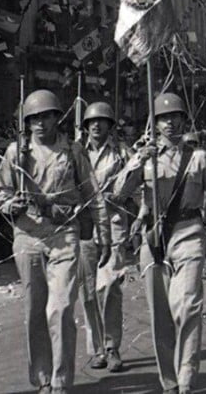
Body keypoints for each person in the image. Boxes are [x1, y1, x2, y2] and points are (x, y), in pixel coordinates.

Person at [110, 93, 206, 394]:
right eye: (164, 118)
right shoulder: (145, 158)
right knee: (160, 316)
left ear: (183, 120)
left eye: (175, 116)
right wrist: (138, 159)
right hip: (154, 239)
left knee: (187, 306)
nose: (170, 122)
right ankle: (170, 383)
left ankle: (187, 378)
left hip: (188, 233)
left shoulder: (200, 158)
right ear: (155, 123)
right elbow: (118, 193)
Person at [0, 89, 106, 394]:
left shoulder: (73, 151)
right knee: (34, 311)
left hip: (63, 235)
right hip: (28, 235)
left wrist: (103, 232)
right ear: (26, 123)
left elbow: (92, 195)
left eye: (46, 116)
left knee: (61, 308)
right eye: (33, 119)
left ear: (58, 118)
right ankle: (42, 378)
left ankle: (60, 381)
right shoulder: (16, 153)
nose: (40, 123)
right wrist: (10, 206)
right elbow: (1, 193)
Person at [77, 101, 130, 371]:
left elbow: (135, 183)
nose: (96, 126)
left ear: (110, 125)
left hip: (114, 221)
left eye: (102, 121)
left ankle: (112, 346)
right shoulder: (75, 152)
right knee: (88, 290)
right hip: (85, 226)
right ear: (85, 126)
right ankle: (97, 349)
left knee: (109, 286)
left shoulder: (122, 153)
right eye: (91, 122)